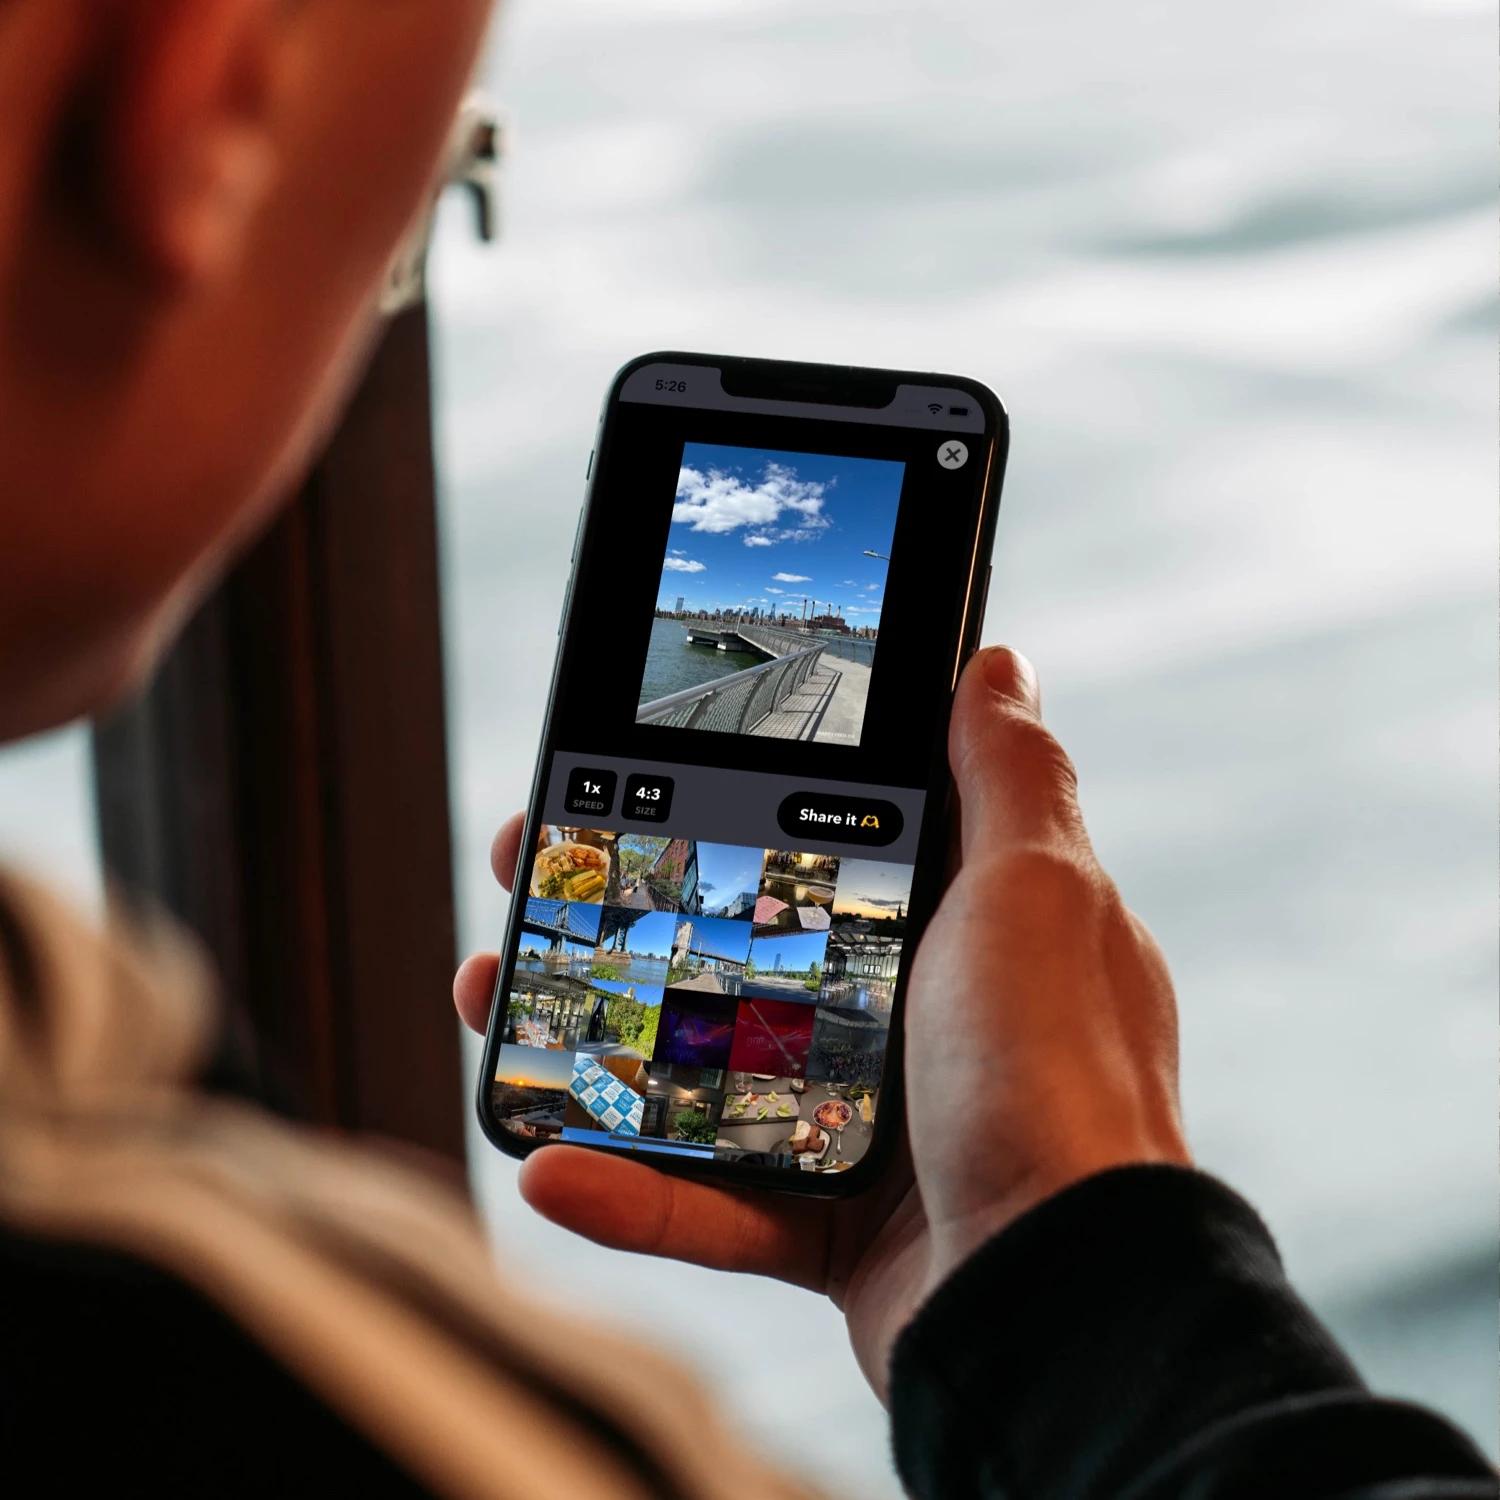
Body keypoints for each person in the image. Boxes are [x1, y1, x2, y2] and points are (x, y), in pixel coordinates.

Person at [0, 3, 1491, 1496]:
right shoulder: (253, 1389)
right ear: (213, 95)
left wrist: (1021, 1262)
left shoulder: (85, 1031)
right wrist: (1087, 1249)